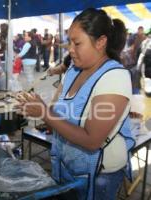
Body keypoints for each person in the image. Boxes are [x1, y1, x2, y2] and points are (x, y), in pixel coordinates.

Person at [17, 8, 135, 200]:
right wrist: (37, 107)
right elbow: (57, 112)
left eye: (77, 43)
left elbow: (92, 140)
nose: (70, 49)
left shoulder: (115, 77)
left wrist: (45, 113)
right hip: (68, 165)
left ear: (101, 42)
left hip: (100, 174)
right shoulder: (73, 69)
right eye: (69, 41)